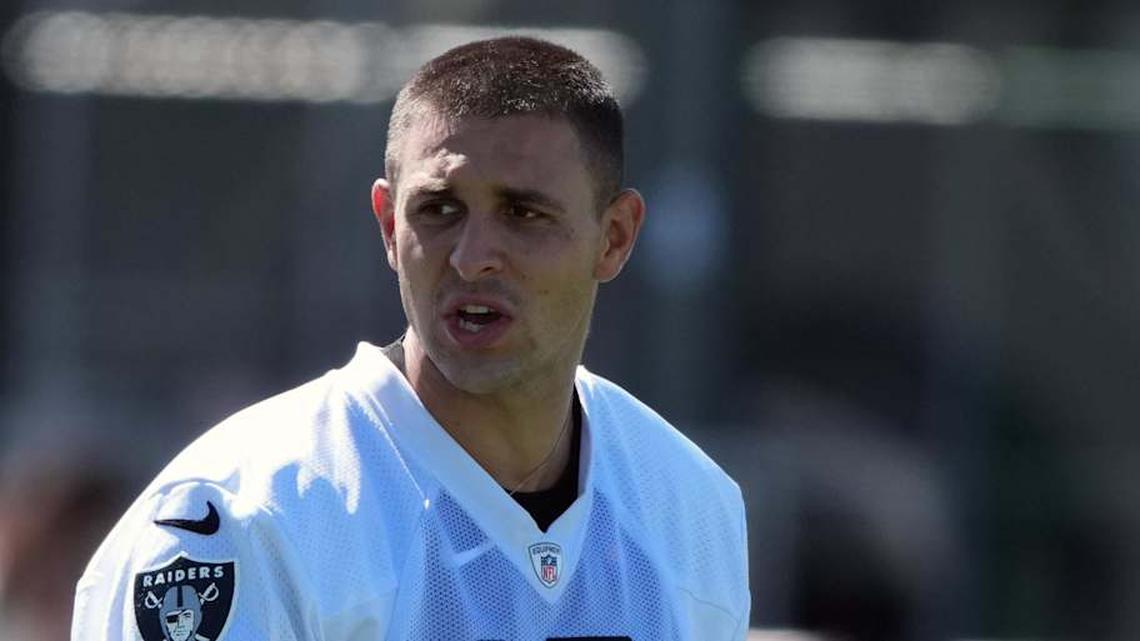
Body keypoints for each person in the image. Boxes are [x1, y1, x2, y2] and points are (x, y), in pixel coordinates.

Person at [71, 36, 750, 640]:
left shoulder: (688, 505)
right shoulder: (243, 516)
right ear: (390, 227)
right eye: (439, 210)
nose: (472, 255)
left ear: (616, 237)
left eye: (524, 213)